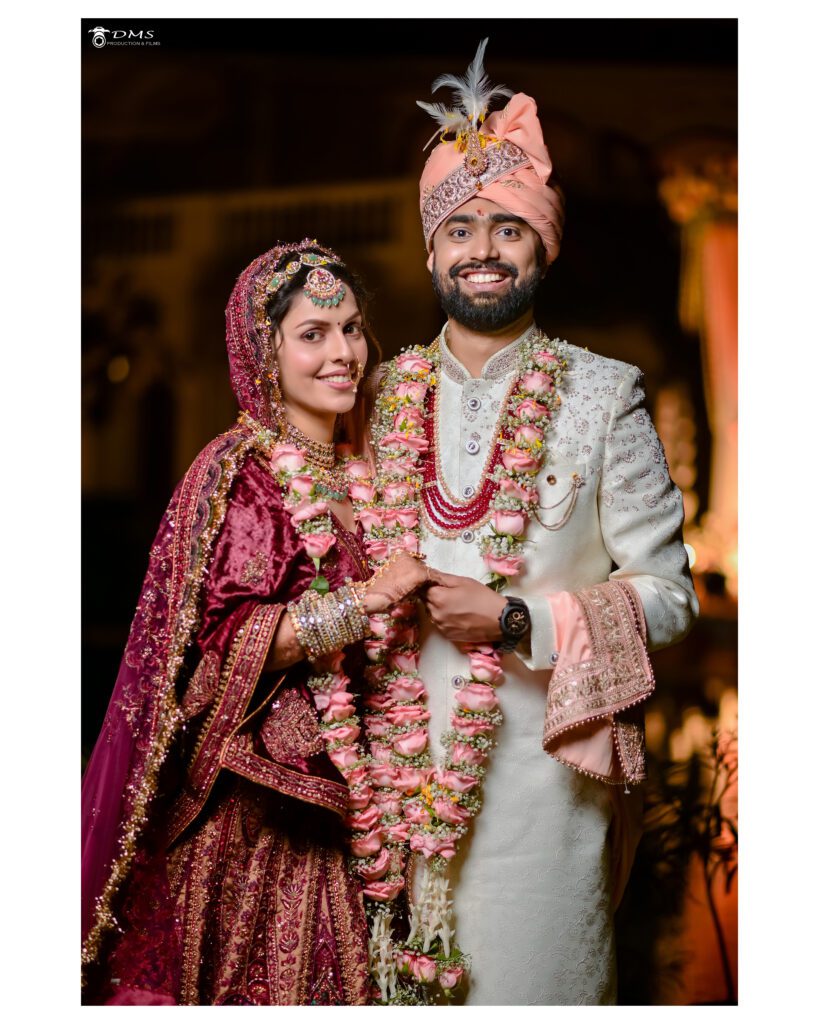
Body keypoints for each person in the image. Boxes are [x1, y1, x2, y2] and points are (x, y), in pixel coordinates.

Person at [359, 42, 699, 1005]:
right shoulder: (372, 399)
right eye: (458, 228)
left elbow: (668, 596)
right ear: (430, 249)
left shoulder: (602, 395)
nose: (481, 250)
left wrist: (518, 621)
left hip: (543, 800)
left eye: (508, 230)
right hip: (382, 794)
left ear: (544, 247)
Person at [80, 240, 430, 1005]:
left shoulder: (366, 469)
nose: (343, 353)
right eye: (313, 334)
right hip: (263, 817)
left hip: (362, 802)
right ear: (262, 354)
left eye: (351, 328)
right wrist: (366, 599)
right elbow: (231, 641)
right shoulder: (244, 471)